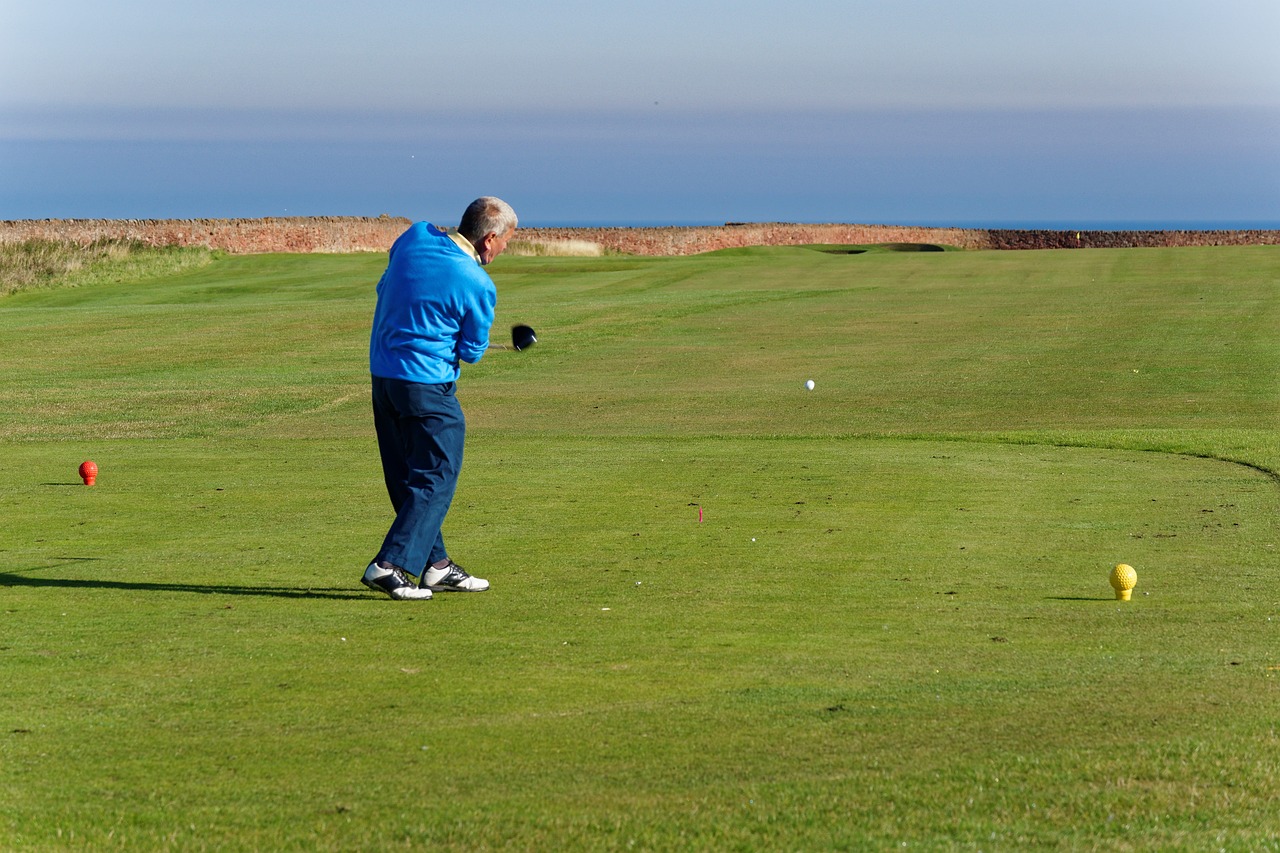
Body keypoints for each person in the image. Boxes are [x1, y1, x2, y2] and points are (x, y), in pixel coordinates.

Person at [361, 197, 517, 600]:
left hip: (384, 380)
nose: (504, 250)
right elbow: (471, 351)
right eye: (505, 243)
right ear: (489, 239)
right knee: (436, 475)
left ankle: (436, 565)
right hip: (427, 388)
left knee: (406, 476)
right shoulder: (478, 283)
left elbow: (390, 278)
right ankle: (389, 565)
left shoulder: (414, 236)